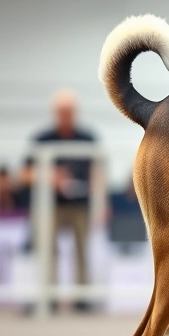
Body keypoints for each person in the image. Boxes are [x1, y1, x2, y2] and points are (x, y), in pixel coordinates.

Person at [31, 90, 96, 305]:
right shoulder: (42, 138)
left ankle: (83, 298)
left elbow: (97, 172)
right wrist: (50, 177)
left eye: (69, 111)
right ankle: (48, 297)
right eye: (61, 111)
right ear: (55, 113)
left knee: (83, 251)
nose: (65, 115)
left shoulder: (87, 138)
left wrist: (100, 203)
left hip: (80, 205)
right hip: (50, 205)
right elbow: (24, 173)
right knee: (48, 251)